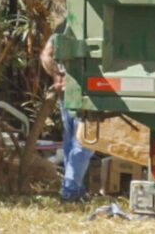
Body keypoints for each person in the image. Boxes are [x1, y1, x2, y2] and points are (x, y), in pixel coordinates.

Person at [40, 22, 94, 202]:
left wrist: (58, 76)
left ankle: (75, 189)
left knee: (71, 142)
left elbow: (46, 55)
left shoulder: (64, 26)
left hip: (67, 94)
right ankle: (70, 190)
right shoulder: (92, 23)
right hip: (87, 92)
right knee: (84, 143)